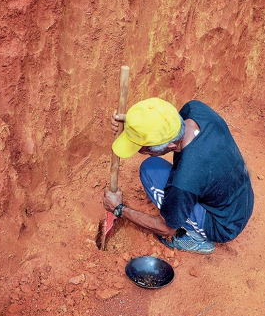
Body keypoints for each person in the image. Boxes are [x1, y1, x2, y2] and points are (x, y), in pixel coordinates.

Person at [103, 98, 254, 254]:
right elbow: (163, 119)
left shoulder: (184, 181)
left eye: (142, 149)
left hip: (224, 223)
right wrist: (135, 124)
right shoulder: (197, 110)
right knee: (152, 167)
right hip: (240, 197)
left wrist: (118, 208)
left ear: (170, 146)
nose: (140, 151)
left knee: (152, 176)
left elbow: (166, 228)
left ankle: (196, 238)